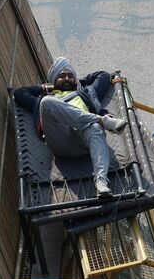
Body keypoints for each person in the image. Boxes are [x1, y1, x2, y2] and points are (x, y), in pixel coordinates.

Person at [13, 57, 127, 198]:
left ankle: (101, 182)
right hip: (61, 141)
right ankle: (103, 121)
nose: (66, 79)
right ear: (53, 81)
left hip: (85, 137)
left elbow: (103, 76)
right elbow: (19, 93)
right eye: (61, 76)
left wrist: (80, 82)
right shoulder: (45, 97)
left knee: (95, 128)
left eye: (70, 76)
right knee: (46, 102)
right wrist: (49, 88)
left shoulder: (87, 92)